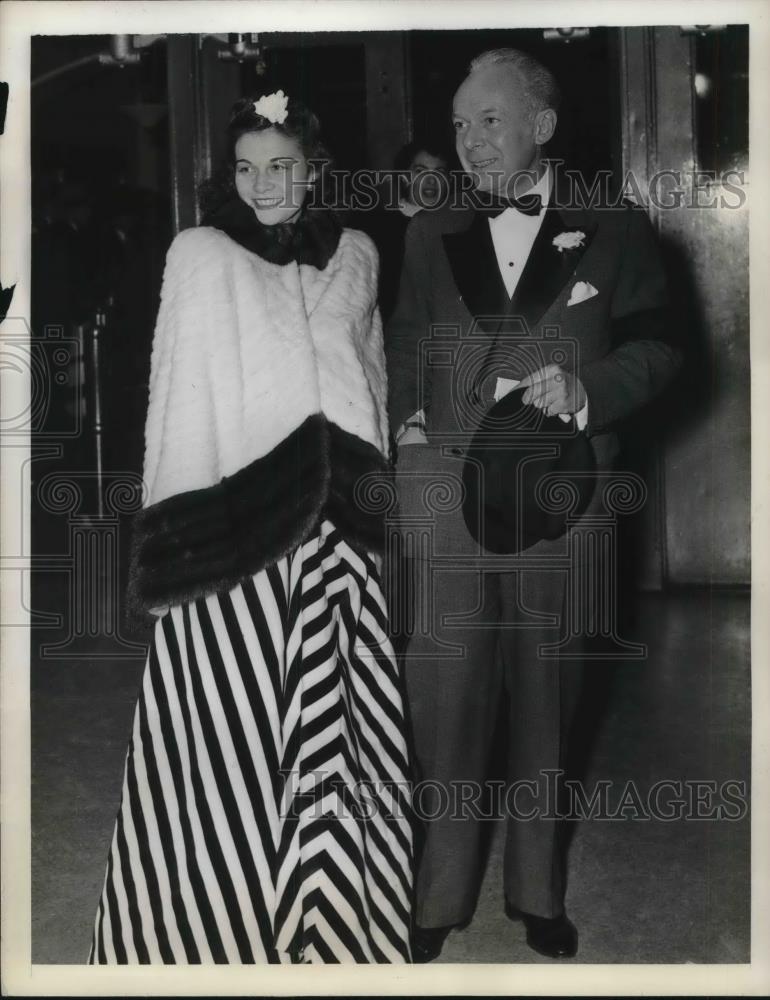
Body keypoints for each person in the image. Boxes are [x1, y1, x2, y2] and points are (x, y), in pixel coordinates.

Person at [89, 89, 413, 964]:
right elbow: (175, 404)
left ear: (312, 170)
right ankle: (208, 930)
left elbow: (369, 383)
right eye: (245, 168)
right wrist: (179, 545)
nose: (263, 185)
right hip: (229, 534)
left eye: (280, 167)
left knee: (337, 736)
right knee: (224, 736)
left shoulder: (359, 256)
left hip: (337, 529)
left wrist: (374, 502)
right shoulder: (200, 253)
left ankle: (334, 926)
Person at [386, 48, 682, 961]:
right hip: (448, 492)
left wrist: (587, 388)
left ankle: (537, 892)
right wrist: (405, 423)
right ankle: (435, 898)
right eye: (460, 125)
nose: (471, 142)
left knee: (551, 696)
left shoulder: (615, 227)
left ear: (543, 126)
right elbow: (403, 343)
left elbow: (663, 349)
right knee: (444, 699)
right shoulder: (430, 231)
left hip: (568, 489)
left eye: (491, 120)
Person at [352, 139, 448, 323]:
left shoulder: (459, 227)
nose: (431, 180)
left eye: (439, 172)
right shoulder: (374, 226)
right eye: (420, 171)